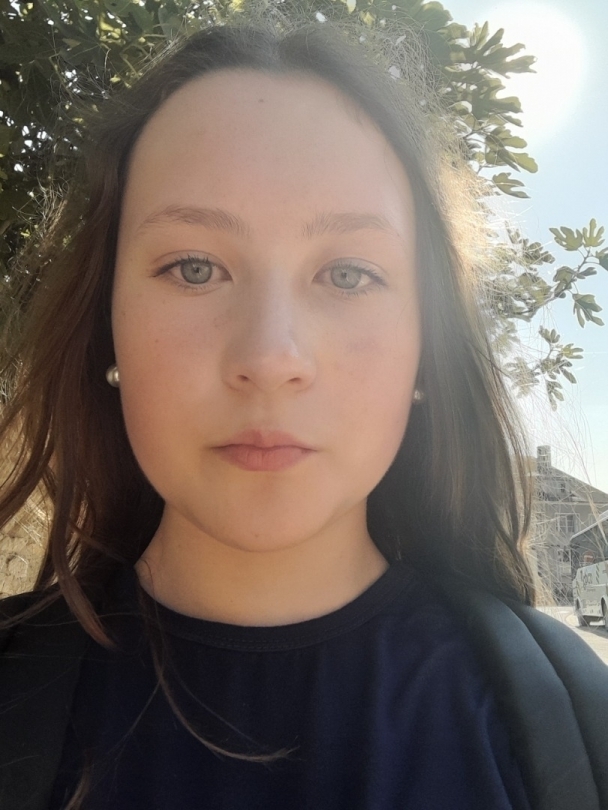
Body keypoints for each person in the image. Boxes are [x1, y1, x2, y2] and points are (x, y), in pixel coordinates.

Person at [0, 10, 607, 810]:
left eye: (349, 274)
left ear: (425, 344)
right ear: (104, 324)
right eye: (194, 267)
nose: (270, 357)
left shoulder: (574, 725)